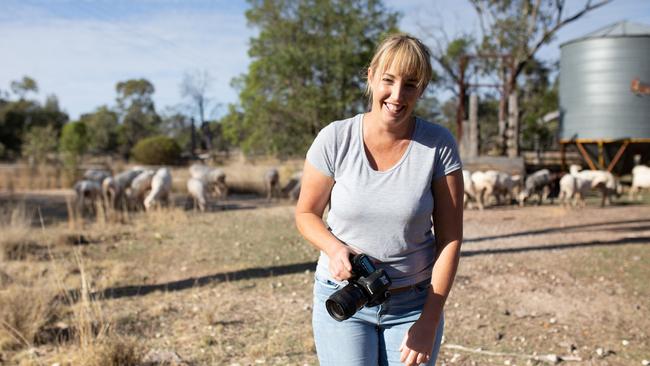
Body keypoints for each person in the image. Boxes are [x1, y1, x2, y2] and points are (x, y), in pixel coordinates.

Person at [295, 33, 464, 366]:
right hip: (343, 298)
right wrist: (333, 248)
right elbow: (305, 213)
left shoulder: (438, 145)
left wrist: (428, 321)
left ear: (423, 88)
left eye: (411, 85)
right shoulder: (335, 138)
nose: (397, 95)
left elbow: (450, 239)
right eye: (389, 80)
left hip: (412, 305)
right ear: (371, 76)